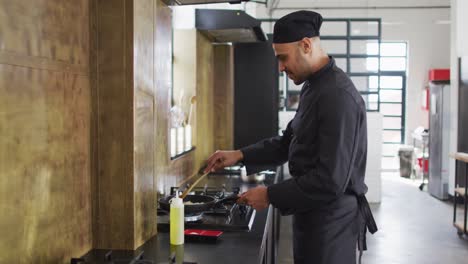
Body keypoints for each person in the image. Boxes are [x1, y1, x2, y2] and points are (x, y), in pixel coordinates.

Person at [204, 10, 377, 264]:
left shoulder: (337, 96)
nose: (280, 67)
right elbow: (288, 142)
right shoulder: (313, 87)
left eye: (283, 58)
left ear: (306, 45)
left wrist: (270, 195)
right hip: (311, 215)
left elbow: (330, 180)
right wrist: (239, 155)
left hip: (331, 224)